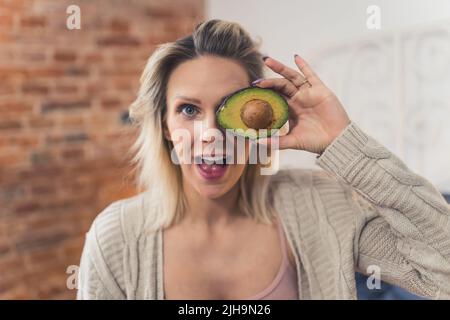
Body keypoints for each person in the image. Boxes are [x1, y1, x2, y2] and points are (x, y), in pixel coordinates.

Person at [76, 19, 450, 300]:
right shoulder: (115, 239)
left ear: (260, 122)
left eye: (228, 108)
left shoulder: (322, 206)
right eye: (189, 109)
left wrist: (342, 141)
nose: (210, 132)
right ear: (166, 126)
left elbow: (442, 273)